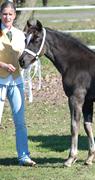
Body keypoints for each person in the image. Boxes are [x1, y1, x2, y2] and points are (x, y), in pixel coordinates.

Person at [0, 1, 36, 166]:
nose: (7, 17)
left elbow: (25, 55)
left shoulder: (20, 34)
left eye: (10, 14)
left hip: (16, 81)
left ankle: (24, 156)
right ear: (1, 15)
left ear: (15, 16)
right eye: (4, 14)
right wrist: (3, 65)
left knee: (20, 122)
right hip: (0, 81)